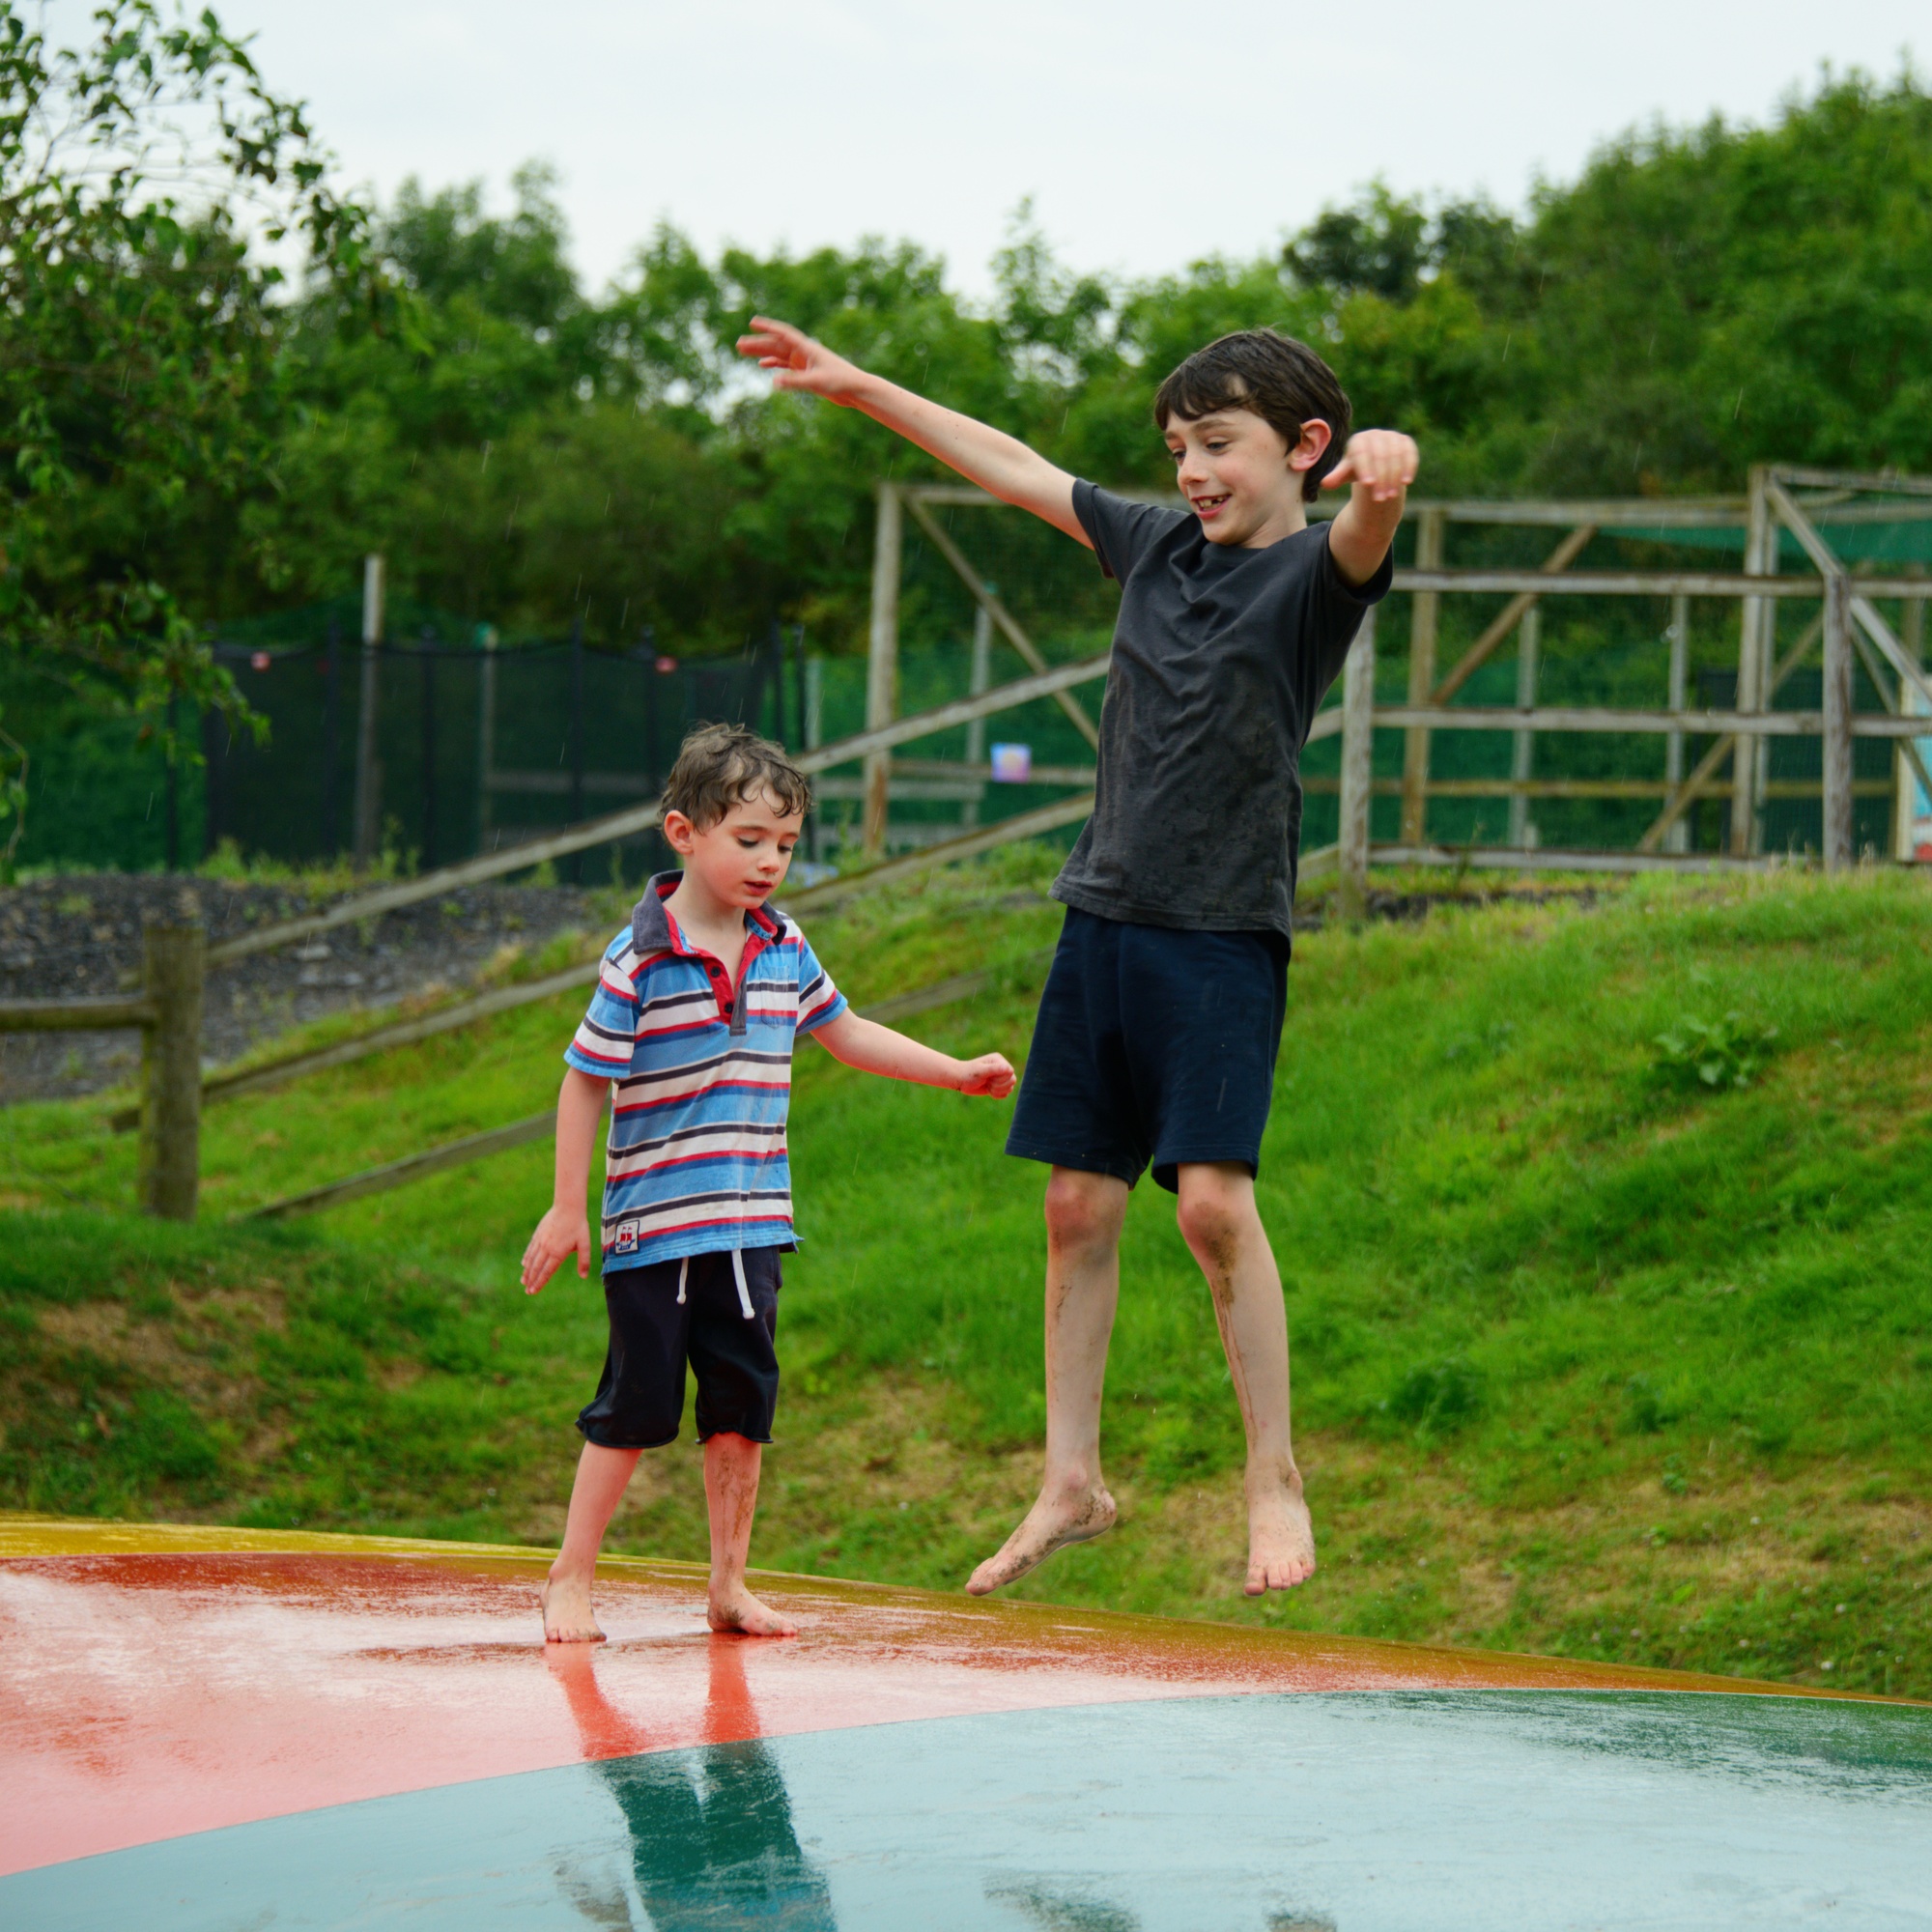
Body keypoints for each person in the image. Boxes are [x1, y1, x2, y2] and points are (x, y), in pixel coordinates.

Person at [736, 315, 1415, 1599]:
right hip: (1102, 916)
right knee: (1074, 1207)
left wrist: (1384, 475)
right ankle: (1070, 1480)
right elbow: (1011, 465)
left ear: (1304, 446)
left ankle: (1273, 1476)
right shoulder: (1154, 546)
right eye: (1176, 450)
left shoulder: (1312, 579)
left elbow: (1367, 530)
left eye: (1218, 443)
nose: (1192, 470)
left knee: (1210, 1206)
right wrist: (859, 384)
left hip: (1221, 932)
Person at [523, 723, 1015, 1642]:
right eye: (749, 839)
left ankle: (729, 1585)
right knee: (634, 1408)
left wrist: (954, 1071)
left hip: (751, 1230)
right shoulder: (639, 957)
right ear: (684, 833)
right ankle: (570, 1576)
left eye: (785, 845)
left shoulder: (785, 944)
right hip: (654, 1231)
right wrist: (566, 1206)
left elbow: (847, 1032)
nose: (770, 863)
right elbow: (584, 1079)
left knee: (741, 1411)